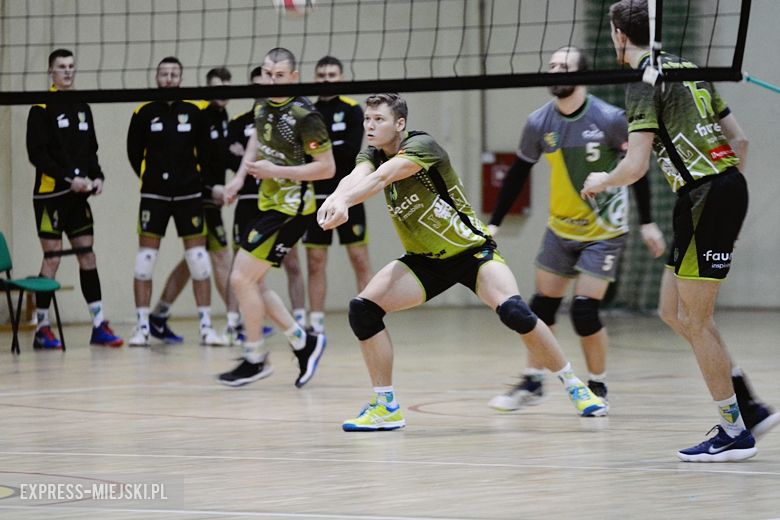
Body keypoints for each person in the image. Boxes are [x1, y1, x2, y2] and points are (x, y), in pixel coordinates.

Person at [317, 93, 607, 432]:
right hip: (425, 261)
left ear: (399, 124)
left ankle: (576, 387)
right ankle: (386, 406)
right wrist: (337, 198)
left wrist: (346, 202)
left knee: (516, 312)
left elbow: (382, 178)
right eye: (367, 119)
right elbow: (358, 175)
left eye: (378, 119)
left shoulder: (422, 145)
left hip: (471, 253)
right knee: (363, 310)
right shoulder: (371, 153)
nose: (369, 125)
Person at [580, 0, 779, 461]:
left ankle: (734, 433)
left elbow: (635, 165)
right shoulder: (689, 67)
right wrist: (729, 199)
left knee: (698, 320)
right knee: (672, 310)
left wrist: (600, 181)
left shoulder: (642, 85)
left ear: (619, 35)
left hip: (704, 197)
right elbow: (740, 139)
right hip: (719, 192)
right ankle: (748, 404)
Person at [486, 46, 666, 413]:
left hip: (603, 231)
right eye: (551, 66)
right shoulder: (539, 122)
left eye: (563, 67)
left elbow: (637, 168)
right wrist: (494, 224)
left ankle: (597, 385)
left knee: (584, 312)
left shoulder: (610, 118)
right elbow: (518, 175)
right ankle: (533, 381)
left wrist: (647, 222)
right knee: (540, 310)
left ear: (581, 75)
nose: (554, 72)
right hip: (560, 229)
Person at [218, 47, 333, 387]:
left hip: (292, 209)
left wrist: (277, 170)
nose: (271, 80)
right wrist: (240, 177)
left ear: (294, 77)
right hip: (268, 204)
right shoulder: (263, 104)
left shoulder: (305, 115)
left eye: (279, 75)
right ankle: (303, 341)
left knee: (241, 278)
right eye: (268, 73)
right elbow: (257, 139)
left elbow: (327, 168)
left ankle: (256, 357)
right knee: (251, 281)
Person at [25, 48, 123, 349]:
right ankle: (42, 327)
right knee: (52, 258)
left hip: (78, 198)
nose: (67, 71)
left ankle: (98, 325)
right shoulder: (41, 108)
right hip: (50, 195)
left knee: (87, 255)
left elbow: (91, 151)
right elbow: (37, 155)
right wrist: (70, 178)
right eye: (61, 67)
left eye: (70, 66)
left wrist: (98, 177)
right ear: (51, 72)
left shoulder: (83, 107)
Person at [126, 56, 220, 346]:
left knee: (199, 261)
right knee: (145, 261)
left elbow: (207, 151)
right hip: (153, 195)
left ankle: (206, 327)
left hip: (189, 195)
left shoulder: (196, 111)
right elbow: (134, 153)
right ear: (157, 77)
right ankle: (142, 327)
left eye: (173, 74)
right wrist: (150, 177)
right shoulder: (143, 111)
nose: (168, 78)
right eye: (164, 74)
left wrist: (201, 183)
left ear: (181, 77)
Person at [144, 67, 236, 346]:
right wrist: (210, 189)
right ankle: (237, 322)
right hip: (199, 198)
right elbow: (194, 159)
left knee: (193, 261)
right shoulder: (202, 116)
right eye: (215, 87)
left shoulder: (222, 117)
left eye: (225, 87)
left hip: (212, 199)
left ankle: (159, 315)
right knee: (219, 258)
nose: (220, 93)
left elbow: (220, 158)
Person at [302, 55, 372, 334]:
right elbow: (308, 154)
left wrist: (321, 149)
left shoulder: (354, 110)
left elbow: (349, 152)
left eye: (331, 75)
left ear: (340, 78)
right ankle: (316, 323)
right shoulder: (308, 112)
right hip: (316, 197)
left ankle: (369, 314)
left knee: (359, 257)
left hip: (350, 196)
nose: (326, 79)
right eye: (321, 75)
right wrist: (322, 152)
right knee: (316, 261)